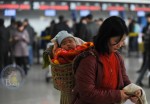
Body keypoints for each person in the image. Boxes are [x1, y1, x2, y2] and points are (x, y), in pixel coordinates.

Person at [72, 16, 141, 104]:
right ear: (105, 37)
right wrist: (117, 95)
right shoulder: (89, 60)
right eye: (116, 40)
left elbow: (123, 79)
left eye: (123, 40)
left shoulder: (117, 57)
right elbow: (87, 93)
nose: (120, 45)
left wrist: (133, 90)